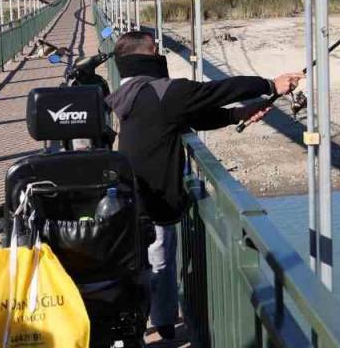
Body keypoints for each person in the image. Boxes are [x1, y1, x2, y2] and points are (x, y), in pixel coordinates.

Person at [104, 30, 302, 341]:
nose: (160, 56)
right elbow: (215, 91)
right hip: (155, 200)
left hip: (129, 195)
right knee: (158, 264)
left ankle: (148, 326)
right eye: (156, 50)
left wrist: (238, 113)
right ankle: (156, 328)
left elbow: (191, 114)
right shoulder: (161, 91)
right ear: (146, 57)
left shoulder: (132, 93)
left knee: (137, 268)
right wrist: (269, 85)